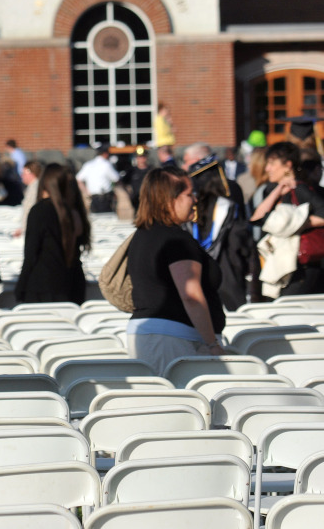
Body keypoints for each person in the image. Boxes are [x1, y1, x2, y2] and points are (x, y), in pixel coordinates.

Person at [126, 166, 225, 373]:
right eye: (189, 194)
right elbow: (190, 295)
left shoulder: (142, 235)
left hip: (154, 336)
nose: (195, 200)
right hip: (174, 340)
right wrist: (212, 344)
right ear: (169, 199)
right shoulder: (176, 240)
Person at [251, 142, 324, 297]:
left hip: (301, 268)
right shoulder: (272, 190)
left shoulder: (301, 189)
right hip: (280, 262)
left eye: (271, 163)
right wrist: (278, 190)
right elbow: (257, 218)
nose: (267, 169)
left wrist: (297, 224)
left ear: (287, 165)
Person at [15, 163, 90, 304]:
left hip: (42, 285)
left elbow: (31, 253)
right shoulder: (72, 213)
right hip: (71, 281)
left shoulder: (39, 211)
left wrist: (21, 285)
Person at [188, 155, 254, 311]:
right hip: (229, 268)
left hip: (197, 271)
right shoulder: (230, 198)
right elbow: (241, 236)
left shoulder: (192, 207)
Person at [76, 145, 120, 213]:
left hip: (93, 198)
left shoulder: (88, 165)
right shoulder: (106, 164)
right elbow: (116, 179)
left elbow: (79, 179)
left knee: (95, 220)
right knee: (107, 220)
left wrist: (86, 192)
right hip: (105, 199)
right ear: (105, 154)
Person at [15, 160, 43, 236]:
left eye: (24, 173)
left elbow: (29, 211)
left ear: (31, 173)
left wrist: (24, 229)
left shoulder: (35, 188)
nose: (22, 176)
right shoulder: (33, 187)